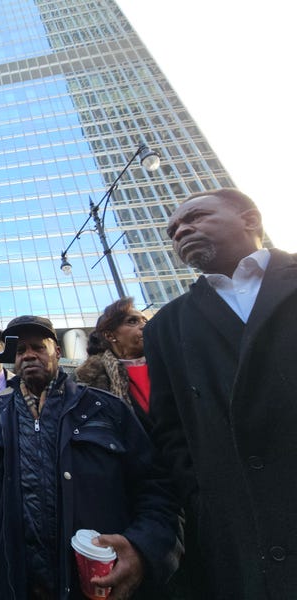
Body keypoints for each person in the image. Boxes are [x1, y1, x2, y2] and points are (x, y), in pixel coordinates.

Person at [146, 188, 297, 598]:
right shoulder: (165, 326)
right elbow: (171, 429)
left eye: (195, 216)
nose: (181, 231)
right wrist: (204, 499)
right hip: (241, 539)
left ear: (250, 219)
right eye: (173, 229)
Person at [0, 315, 180, 600]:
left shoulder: (106, 408)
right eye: (21, 350)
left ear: (58, 352)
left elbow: (156, 491)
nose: (29, 355)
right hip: (21, 587)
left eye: (38, 346)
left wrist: (141, 550)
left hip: (100, 583)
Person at [74, 297, 152, 432]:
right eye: (132, 321)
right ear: (110, 336)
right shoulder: (88, 381)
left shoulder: (168, 364)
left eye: (145, 320)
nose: (144, 325)